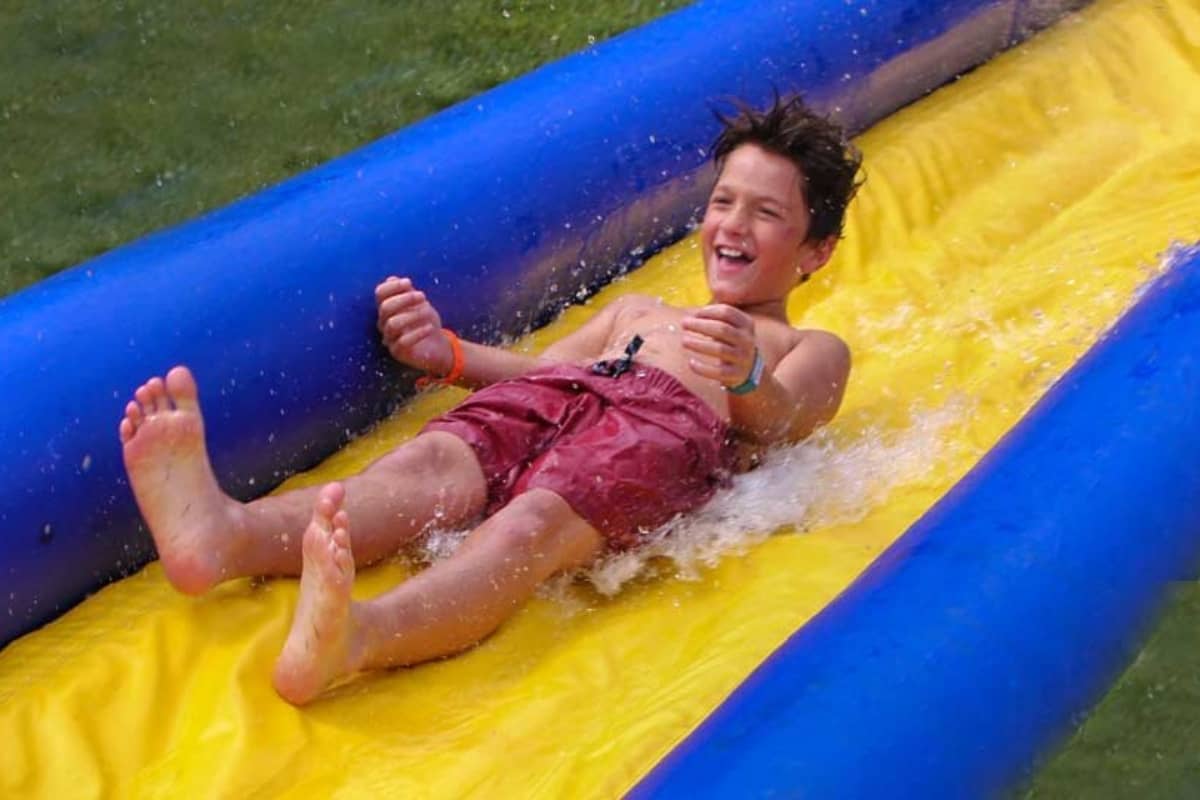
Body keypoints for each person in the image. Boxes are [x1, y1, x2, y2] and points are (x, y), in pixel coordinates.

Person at [118, 95, 861, 706]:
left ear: (815, 251)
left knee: (530, 522)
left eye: (766, 213)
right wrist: (448, 355)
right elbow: (542, 376)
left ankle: (360, 635)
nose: (732, 224)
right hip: (567, 396)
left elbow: (787, 421)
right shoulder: (639, 312)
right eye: (724, 201)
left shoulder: (805, 346)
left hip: (658, 437)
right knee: (431, 464)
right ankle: (227, 536)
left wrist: (745, 379)